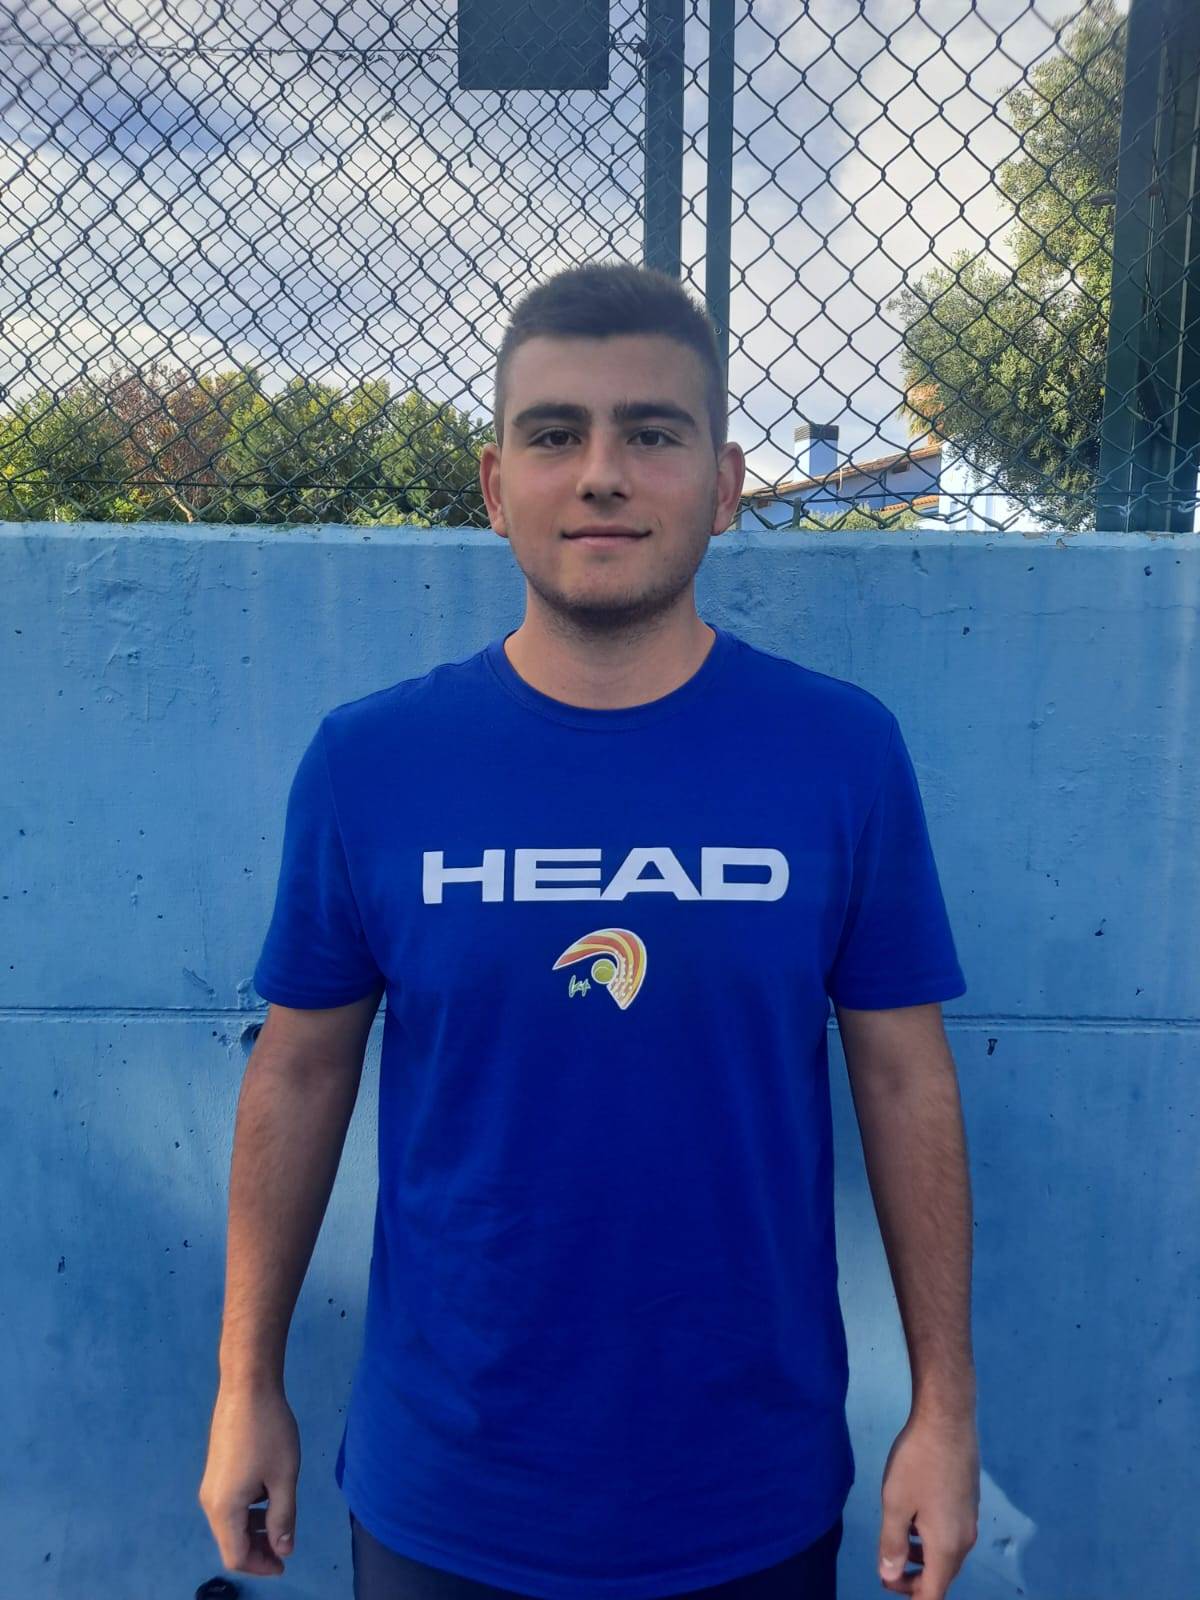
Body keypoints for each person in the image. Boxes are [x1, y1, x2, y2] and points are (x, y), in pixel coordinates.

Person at [199, 260, 980, 1600]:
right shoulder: (371, 763)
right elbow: (301, 1071)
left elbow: (905, 1080)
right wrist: (244, 1383)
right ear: (496, 485)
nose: (602, 474)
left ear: (724, 485)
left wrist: (945, 1411)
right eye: (555, 434)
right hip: (448, 1495)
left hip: (748, 1492)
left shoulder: (841, 755)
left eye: (652, 434)